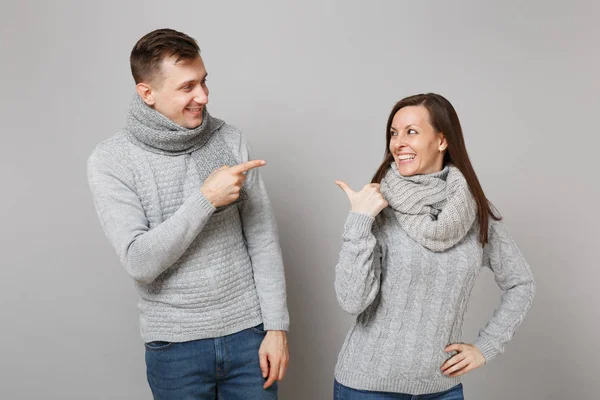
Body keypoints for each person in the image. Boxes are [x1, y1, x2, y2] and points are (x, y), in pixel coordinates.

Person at [87, 28, 289, 399]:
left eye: (204, 81)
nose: (203, 96)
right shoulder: (112, 160)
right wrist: (205, 199)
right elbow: (140, 261)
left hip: (249, 338)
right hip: (175, 347)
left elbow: (262, 239)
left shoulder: (229, 140)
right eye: (187, 87)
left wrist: (276, 328)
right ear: (147, 93)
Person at [333, 93, 535, 399]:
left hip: (441, 389)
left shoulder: (474, 210)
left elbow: (521, 283)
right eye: (393, 133)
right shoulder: (376, 206)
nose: (398, 142)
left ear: (442, 141)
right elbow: (351, 301)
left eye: (411, 132)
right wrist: (360, 221)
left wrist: (486, 347)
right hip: (368, 387)